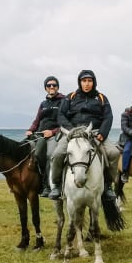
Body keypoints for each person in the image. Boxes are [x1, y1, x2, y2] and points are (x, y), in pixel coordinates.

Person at [49, 69, 120, 202]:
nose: (87, 84)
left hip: (94, 133)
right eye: (84, 81)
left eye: (89, 81)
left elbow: (108, 117)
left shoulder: (101, 98)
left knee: (114, 153)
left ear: (94, 82)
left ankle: (108, 185)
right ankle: (57, 186)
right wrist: (71, 130)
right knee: (58, 154)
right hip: (72, 133)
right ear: (79, 82)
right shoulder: (70, 97)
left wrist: (103, 133)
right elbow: (61, 115)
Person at [26, 76, 65, 197]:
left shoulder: (64, 101)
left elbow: (65, 122)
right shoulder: (43, 103)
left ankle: (50, 186)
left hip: (55, 134)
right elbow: (37, 120)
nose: (52, 87)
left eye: (54, 85)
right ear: (46, 88)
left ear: (57, 87)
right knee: (37, 155)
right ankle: (40, 184)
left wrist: (53, 132)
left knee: (50, 155)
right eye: (49, 85)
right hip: (41, 134)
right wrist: (31, 129)